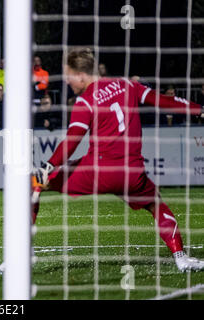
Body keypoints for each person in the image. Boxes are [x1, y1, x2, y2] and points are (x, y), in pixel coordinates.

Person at [32, 47, 204, 272]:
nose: (67, 82)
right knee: (156, 205)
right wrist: (199, 109)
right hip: (132, 173)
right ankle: (181, 257)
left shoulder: (84, 101)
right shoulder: (128, 84)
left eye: (68, 77)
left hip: (97, 172)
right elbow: (163, 101)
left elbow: (73, 139)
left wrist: (49, 164)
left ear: (81, 75)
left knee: (32, 183)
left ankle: (21, 256)